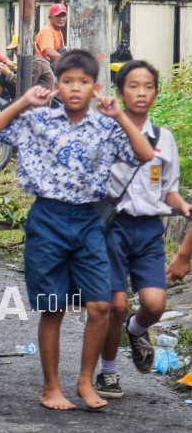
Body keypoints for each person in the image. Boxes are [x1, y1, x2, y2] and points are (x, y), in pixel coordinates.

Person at [0, 50, 154, 411]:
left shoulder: (106, 126)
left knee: (100, 305)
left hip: (90, 220)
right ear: (57, 85)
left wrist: (119, 114)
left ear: (96, 87)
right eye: (68, 81)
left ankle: (84, 381)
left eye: (84, 81)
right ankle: (50, 387)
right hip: (48, 218)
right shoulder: (40, 120)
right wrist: (24, 101)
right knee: (53, 307)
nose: (75, 88)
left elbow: (144, 154)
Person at [95, 60, 192, 398]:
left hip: (149, 230)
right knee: (115, 305)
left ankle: (136, 332)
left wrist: (181, 206)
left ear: (155, 92)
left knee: (154, 305)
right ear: (120, 92)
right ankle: (107, 371)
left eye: (148, 86)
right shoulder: (106, 134)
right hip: (114, 228)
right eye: (133, 86)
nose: (141, 92)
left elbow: (169, 189)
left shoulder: (164, 139)